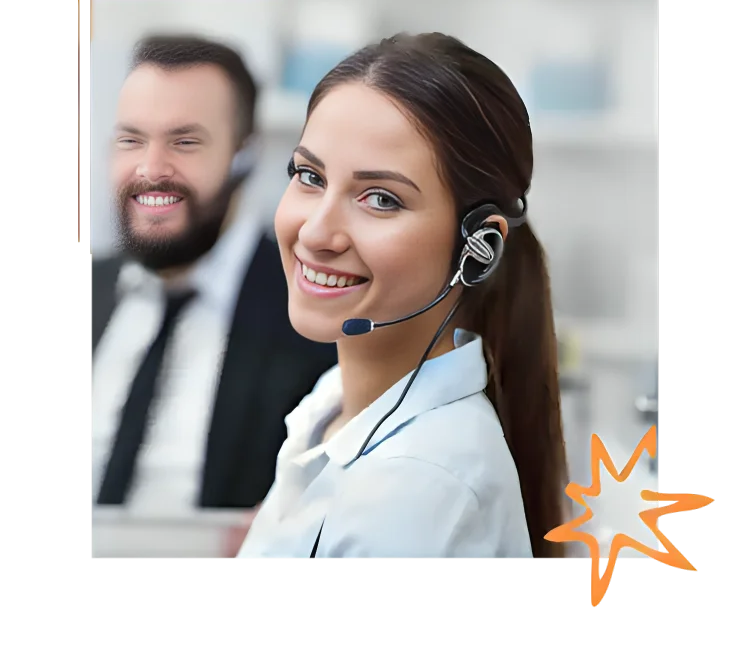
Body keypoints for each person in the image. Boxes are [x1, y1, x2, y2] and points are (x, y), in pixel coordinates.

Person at [237, 32, 569, 561]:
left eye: (381, 199)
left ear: (479, 248)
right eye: (309, 175)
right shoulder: (337, 405)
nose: (317, 233)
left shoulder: (419, 487)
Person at [88, 35, 338, 542]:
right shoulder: (90, 289)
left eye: (185, 142)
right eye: (131, 139)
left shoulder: (312, 315)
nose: (151, 169)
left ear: (244, 157)